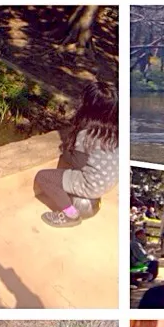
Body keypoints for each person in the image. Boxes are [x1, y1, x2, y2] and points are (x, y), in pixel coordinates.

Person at [34, 80, 118, 228]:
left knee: (44, 178)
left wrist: (66, 151)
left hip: (92, 185)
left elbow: (77, 162)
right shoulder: (115, 132)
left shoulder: (87, 135)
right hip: (107, 183)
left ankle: (70, 215)